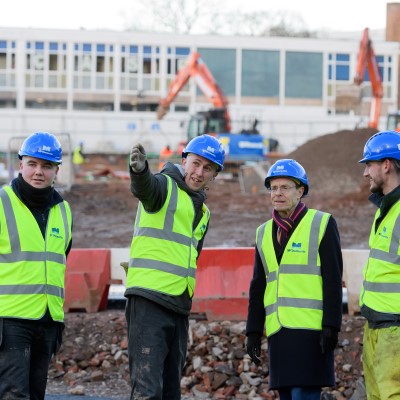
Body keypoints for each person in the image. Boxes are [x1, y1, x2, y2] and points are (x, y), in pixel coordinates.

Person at [125, 134, 225, 399]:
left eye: (207, 168)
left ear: (214, 175)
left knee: (170, 391)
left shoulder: (203, 212)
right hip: (149, 299)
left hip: (179, 305)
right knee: (147, 390)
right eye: (195, 164)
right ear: (184, 161)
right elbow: (145, 189)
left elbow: (192, 256)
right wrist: (140, 171)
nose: (198, 172)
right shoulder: (163, 186)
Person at [246, 159, 343, 400]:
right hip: (279, 332)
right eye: (274, 188)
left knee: (304, 394)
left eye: (285, 187)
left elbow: (333, 279)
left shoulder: (321, 224)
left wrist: (332, 326)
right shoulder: (262, 233)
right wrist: (253, 331)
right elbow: (258, 286)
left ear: (300, 191)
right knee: (287, 395)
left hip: (311, 333)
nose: (278, 193)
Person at [0, 132, 73, 399]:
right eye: (32, 164)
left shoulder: (63, 211)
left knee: (36, 394)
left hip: (47, 321)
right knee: (13, 394)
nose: (38, 172)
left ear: (56, 170)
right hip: (10, 321)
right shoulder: (2, 203)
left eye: (46, 166)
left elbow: (59, 260)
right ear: (20, 165)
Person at [358, 130, 400, 400]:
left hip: (394, 329)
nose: (365, 173)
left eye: (369, 165)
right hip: (375, 325)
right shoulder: (384, 211)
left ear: (386, 165)